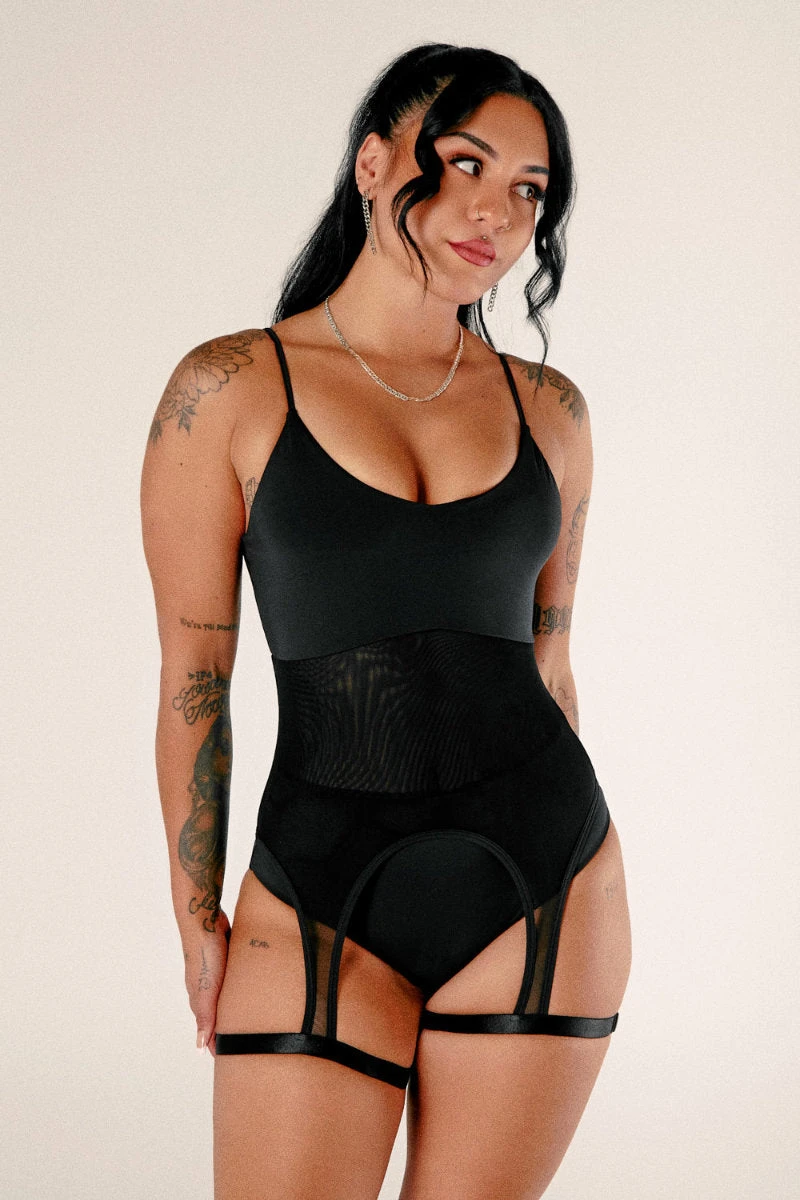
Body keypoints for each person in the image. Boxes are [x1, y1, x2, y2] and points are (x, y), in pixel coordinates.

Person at [141, 41, 632, 1200]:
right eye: (463, 164)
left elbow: (551, 666)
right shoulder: (229, 389)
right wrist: (197, 915)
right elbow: (193, 678)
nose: (497, 212)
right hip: (314, 891)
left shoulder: (550, 414)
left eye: (528, 189)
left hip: (545, 887)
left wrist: (576, 863)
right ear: (373, 164)